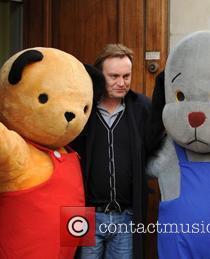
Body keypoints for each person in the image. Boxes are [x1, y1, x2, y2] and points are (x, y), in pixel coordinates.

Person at [71, 43, 152, 259]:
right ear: (99, 76)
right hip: (84, 216)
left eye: (126, 76)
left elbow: (156, 148)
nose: (121, 82)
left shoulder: (142, 107)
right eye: (114, 76)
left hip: (126, 217)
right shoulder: (81, 109)